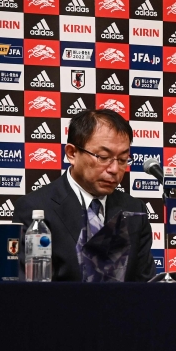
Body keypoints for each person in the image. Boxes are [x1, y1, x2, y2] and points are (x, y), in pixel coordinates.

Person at [12, 109, 154, 282]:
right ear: (72, 153)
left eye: (123, 159)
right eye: (103, 157)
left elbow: (146, 284)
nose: (115, 169)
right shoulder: (35, 207)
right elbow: (30, 288)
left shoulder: (134, 209)